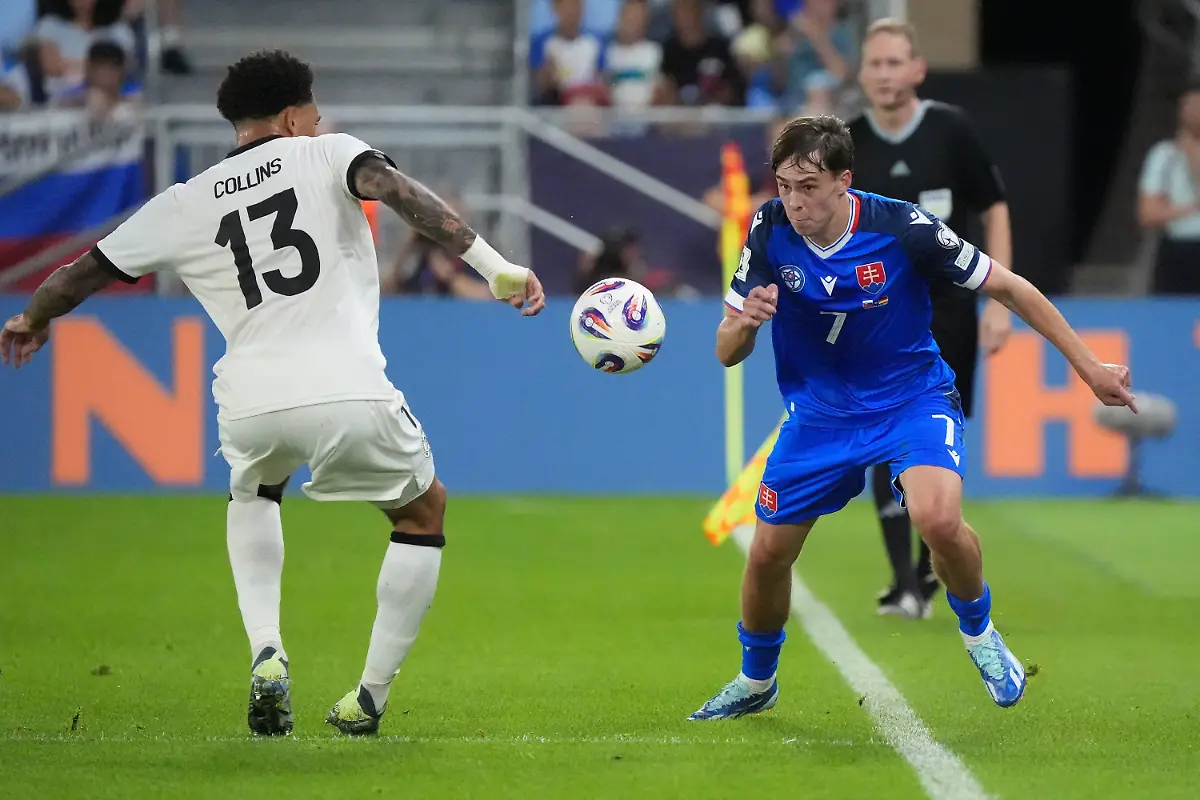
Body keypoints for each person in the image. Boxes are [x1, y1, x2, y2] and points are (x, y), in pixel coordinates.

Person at [0, 50, 545, 737]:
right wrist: (494, 267)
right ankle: (367, 700)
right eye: (312, 114)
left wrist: (32, 319)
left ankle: (266, 650)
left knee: (254, 492)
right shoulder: (328, 153)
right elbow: (401, 193)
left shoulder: (183, 202)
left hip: (251, 400)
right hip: (348, 389)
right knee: (422, 512)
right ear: (291, 117)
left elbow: (80, 273)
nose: (317, 123)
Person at [689, 115, 1134, 720]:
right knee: (767, 555)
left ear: (844, 180)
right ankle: (755, 680)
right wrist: (743, 324)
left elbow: (1010, 288)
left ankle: (980, 633)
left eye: (809, 187)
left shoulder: (903, 228)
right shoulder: (769, 228)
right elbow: (725, 350)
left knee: (938, 518)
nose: (794, 202)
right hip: (820, 415)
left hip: (910, 400)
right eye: (785, 186)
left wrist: (1089, 368)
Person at [848, 18, 1014, 619]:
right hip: (875, 317)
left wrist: (998, 302)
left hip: (948, 311)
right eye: (875, 63)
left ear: (917, 69)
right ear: (861, 73)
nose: (885, 74)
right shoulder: (848, 143)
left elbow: (994, 206)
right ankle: (906, 583)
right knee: (878, 436)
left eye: (895, 62)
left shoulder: (951, 130)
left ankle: (924, 572)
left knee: (932, 439)